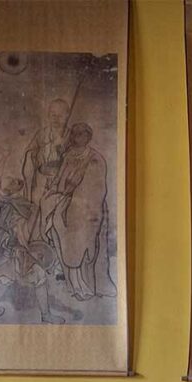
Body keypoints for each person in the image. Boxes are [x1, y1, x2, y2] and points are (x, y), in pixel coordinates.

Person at [40, 122, 116, 301]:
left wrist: (74, 196)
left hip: (87, 209)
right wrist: (53, 190)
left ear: (88, 137)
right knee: (58, 225)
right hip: (65, 202)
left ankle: (85, 284)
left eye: (81, 135)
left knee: (82, 243)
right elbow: (60, 178)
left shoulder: (95, 158)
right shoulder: (68, 155)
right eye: (74, 134)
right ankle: (73, 283)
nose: (76, 138)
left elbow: (95, 186)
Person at [0, 177, 62, 323]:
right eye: (16, 186)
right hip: (11, 249)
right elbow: (19, 232)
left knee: (4, 281)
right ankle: (46, 316)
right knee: (38, 276)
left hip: (3, 249)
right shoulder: (14, 206)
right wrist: (27, 248)